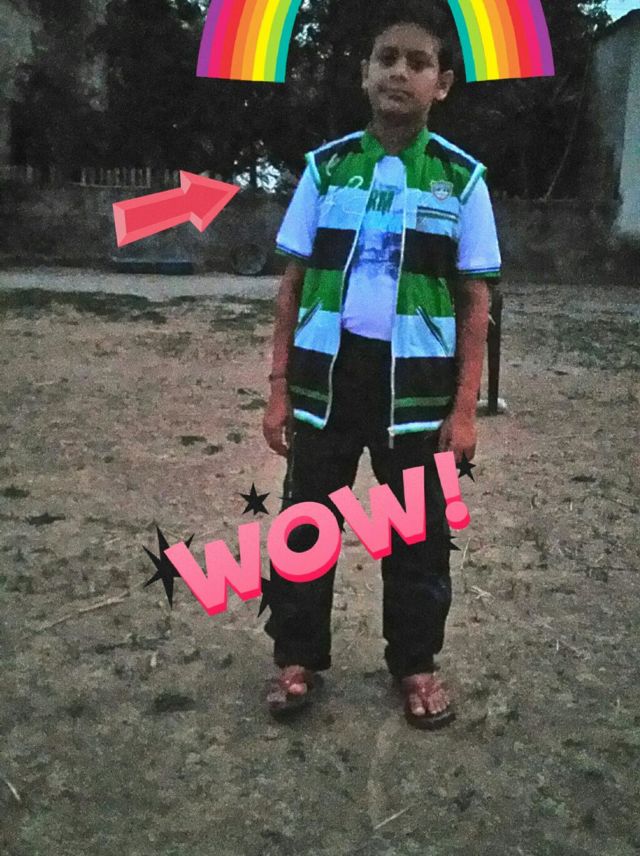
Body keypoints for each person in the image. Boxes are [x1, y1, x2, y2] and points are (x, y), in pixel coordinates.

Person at [262, 0, 501, 729]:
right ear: (365, 74)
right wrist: (278, 390)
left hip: (419, 393)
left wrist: (464, 410)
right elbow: (292, 285)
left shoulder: (462, 180)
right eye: (386, 59)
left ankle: (417, 664)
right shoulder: (327, 169)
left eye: (418, 63)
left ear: (442, 85)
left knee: (418, 534)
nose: (400, 72)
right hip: (326, 383)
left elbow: (476, 303)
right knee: (307, 523)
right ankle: (297, 658)